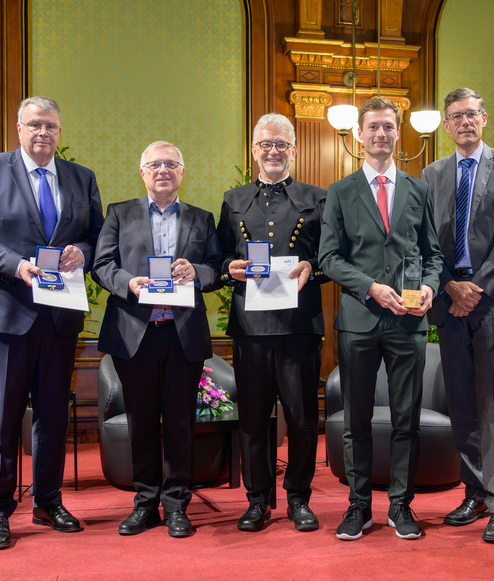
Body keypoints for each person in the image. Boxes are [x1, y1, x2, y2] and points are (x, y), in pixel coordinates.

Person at [0, 96, 104, 549]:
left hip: (59, 318)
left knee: (54, 416)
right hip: (5, 314)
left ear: (60, 132)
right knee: (1, 418)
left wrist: (85, 252)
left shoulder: (81, 178)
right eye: (35, 125)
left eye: (51, 127)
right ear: (19, 128)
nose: (43, 133)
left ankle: (48, 500)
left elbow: (98, 237)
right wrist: (16, 264)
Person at [319, 96, 443, 541]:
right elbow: (328, 258)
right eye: (372, 127)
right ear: (359, 135)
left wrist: (430, 285)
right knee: (355, 420)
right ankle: (358, 507)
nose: (381, 135)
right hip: (359, 320)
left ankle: (400, 506)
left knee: (406, 418)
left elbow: (433, 254)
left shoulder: (418, 188)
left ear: (398, 132)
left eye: (389, 127)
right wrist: (370, 287)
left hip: (409, 322)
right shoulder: (340, 191)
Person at [92, 141, 222, 538]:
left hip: (182, 336)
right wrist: (127, 282)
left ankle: (178, 504)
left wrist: (196, 271)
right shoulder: (119, 213)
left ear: (182, 172)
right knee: (142, 424)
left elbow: (218, 269)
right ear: (142, 172)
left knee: (182, 424)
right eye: (155, 164)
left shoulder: (203, 219)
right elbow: (101, 266)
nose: (162, 170)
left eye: (170, 164)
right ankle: (145, 503)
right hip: (136, 335)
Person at [421, 88, 494, 544]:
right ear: (446, 127)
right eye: (455, 117)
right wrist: (450, 286)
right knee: (463, 402)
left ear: (484, 119)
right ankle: (475, 493)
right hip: (449, 302)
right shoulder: (431, 173)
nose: (464, 122)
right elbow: (425, 238)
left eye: (471, 115)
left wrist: (476, 289)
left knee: (493, 403)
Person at [217, 114, 327, 532]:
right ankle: (258, 499)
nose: (274, 151)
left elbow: (331, 257)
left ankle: (298, 497)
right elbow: (218, 258)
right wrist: (231, 267)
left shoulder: (317, 198)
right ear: (254, 150)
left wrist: (310, 267)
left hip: (299, 326)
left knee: (300, 419)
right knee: (252, 419)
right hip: (250, 327)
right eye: (266, 144)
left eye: (282, 144)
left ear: (294, 149)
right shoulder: (233, 199)